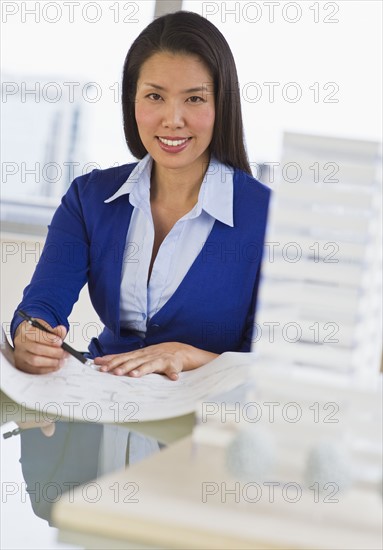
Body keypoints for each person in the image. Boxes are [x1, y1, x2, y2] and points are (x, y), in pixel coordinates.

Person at [11, 11, 270, 380]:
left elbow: (272, 365)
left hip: (209, 420)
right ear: (132, 101)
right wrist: (30, 333)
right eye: (154, 96)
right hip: (102, 401)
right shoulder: (90, 198)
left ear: (222, 105)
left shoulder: (269, 218)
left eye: (194, 99)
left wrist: (186, 355)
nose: (172, 119)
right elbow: (42, 303)